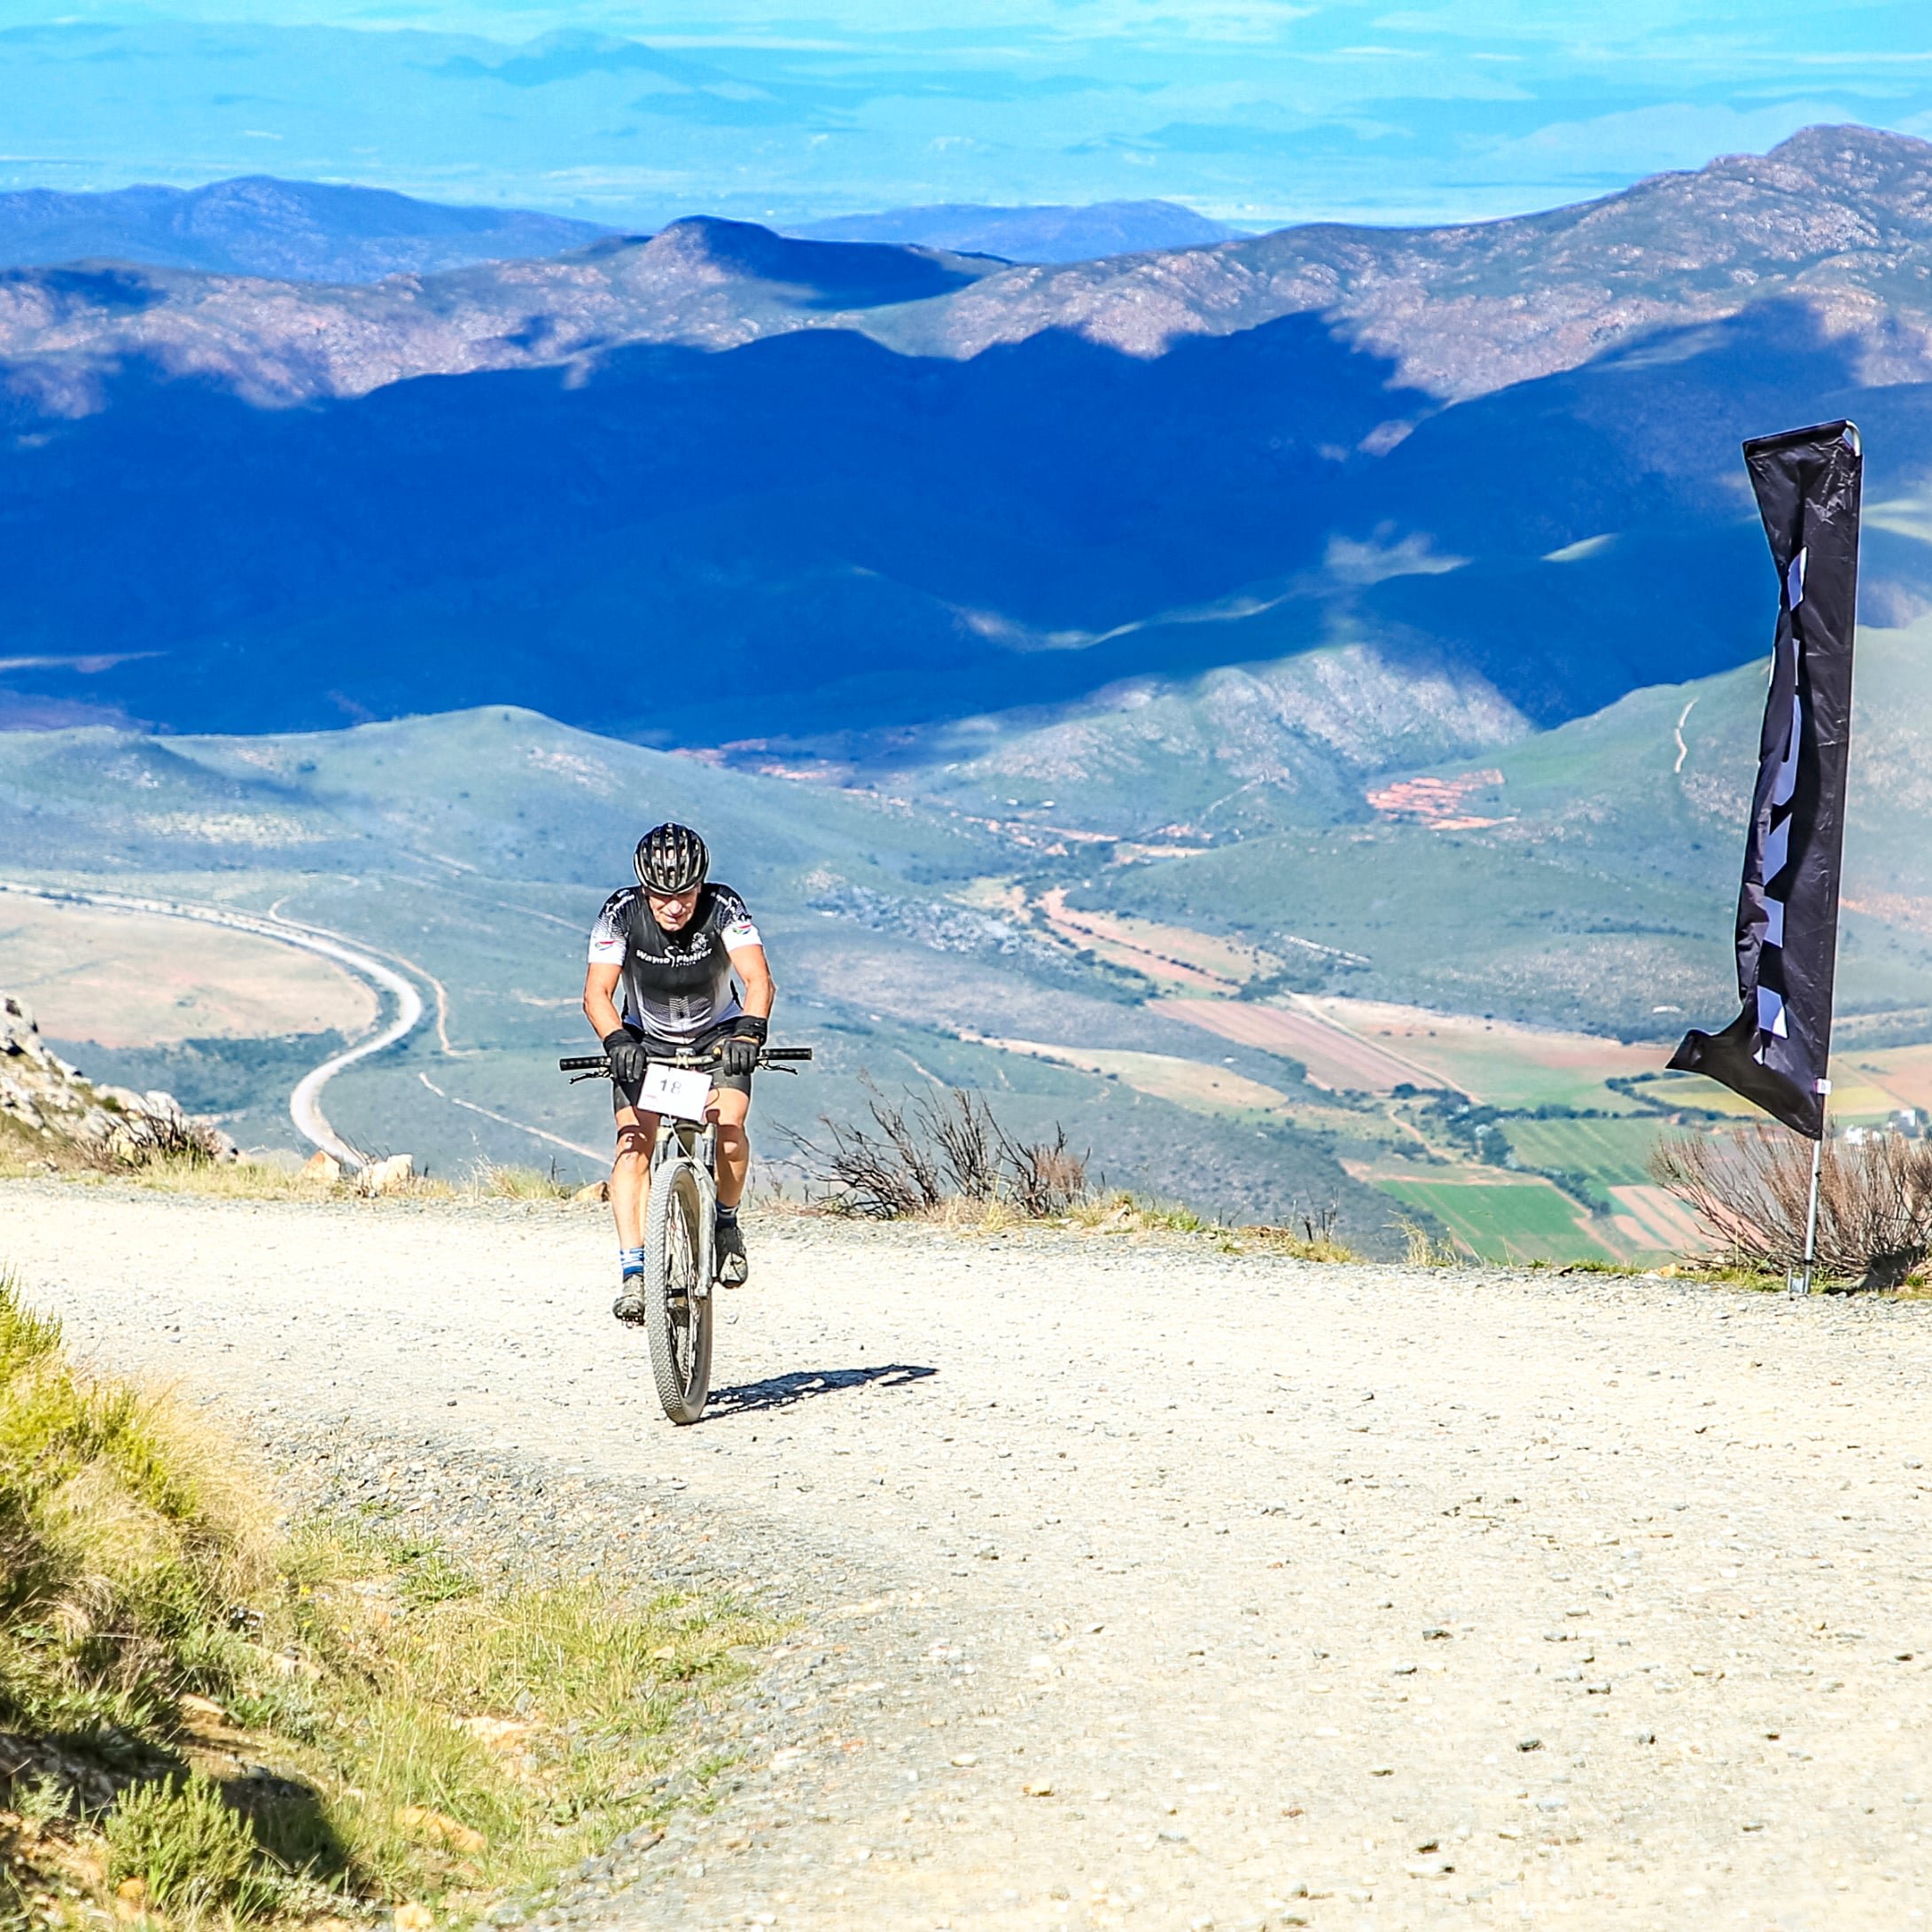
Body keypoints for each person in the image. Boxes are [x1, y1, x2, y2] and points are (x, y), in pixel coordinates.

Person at [581, 822, 775, 1320]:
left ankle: (727, 1222)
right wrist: (617, 1040)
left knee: (729, 1125)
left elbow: (757, 979)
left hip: (719, 1038)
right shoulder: (619, 914)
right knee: (631, 1147)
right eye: (660, 896)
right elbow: (596, 994)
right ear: (644, 890)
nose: (673, 906)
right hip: (644, 1041)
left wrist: (750, 1033)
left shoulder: (724, 907)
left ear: (701, 885)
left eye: (685, 894)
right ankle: (633, 1272)